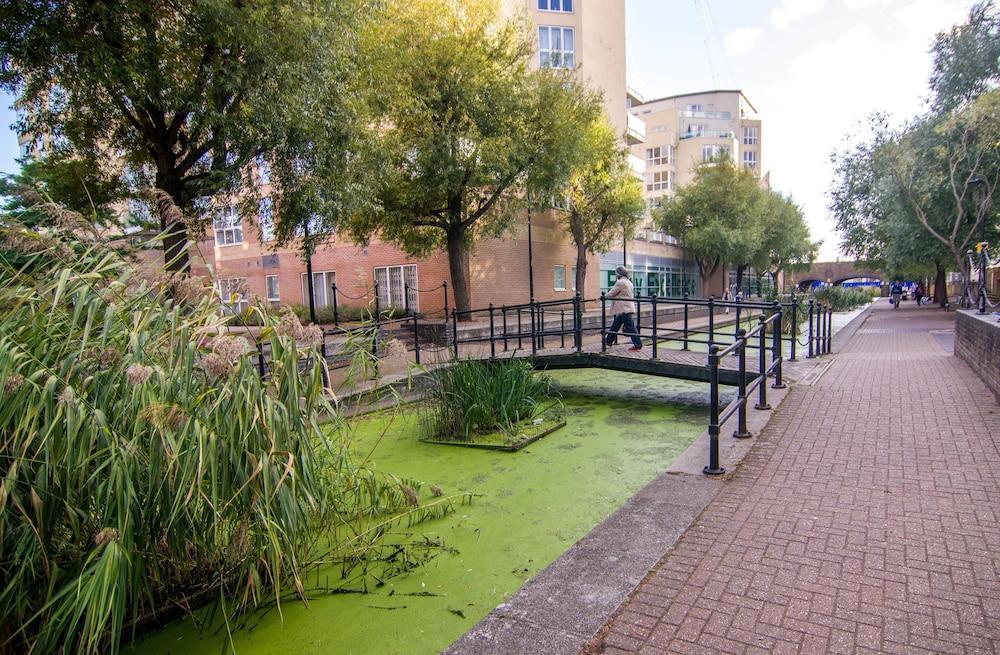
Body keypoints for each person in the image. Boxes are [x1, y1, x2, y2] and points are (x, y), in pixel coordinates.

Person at [605, 265, 643, 351]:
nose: (616, 275)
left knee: (631, 327)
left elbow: (612, 293)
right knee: (615, 325)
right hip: (626, 308)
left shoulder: (620, 282)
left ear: (619, 274)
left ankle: (638, 345)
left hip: (624, 309)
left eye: (616, 273)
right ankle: (608, 341)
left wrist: (602, 298)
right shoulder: (629, 282)